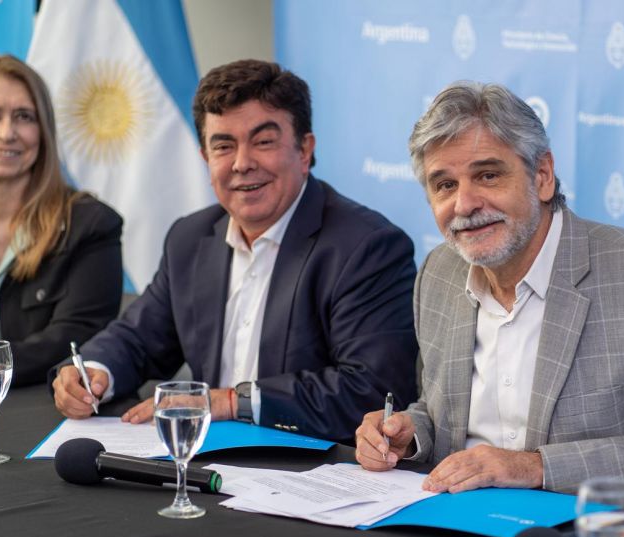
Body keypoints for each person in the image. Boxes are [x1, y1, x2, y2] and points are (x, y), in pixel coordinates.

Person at [354, 82, 624, 522]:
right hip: (457, 528)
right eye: (444, 185)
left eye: (488, 175)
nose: (465, 203)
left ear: (542, 176)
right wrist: (410, 433)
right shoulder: (439, 272)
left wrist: (535, 467)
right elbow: (439, 409)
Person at [51, 60, 418, 444]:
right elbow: (139, 337)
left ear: (304, 150)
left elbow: (373, 392)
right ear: (206, 158)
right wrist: (94, 372)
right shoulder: (189, 238)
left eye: (263, 142)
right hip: (205, 458)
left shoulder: (367, 247)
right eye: (224, 145)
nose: (242, 164)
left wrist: (232, 402)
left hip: (309, 471)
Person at [0, 53, 122, 397]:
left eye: (24, 117)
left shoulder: (91, 224)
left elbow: (75, 338)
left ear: (43, 131)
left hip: (46, 410)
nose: (7, 132)